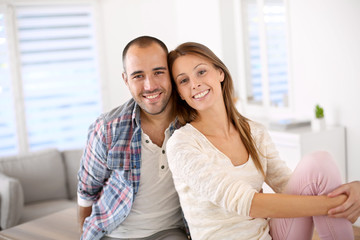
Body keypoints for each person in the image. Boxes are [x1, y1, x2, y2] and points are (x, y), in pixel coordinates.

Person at [166, 41, 360, 240]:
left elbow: (288, 185)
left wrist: (354, 193)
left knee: (320, 162)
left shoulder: (254, 132)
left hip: (268, 236)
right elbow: (249, 204)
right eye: (183, 81)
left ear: (220, 73)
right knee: (332, 199)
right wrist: (339, 204)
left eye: (201, 72)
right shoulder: (182, 145)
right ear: (180, 93)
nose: (194, 84)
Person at [77, 36, 190, 240]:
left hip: (170, 232)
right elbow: (86, 194)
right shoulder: (106, 129)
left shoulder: (193, 123)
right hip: (114, 233)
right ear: (126, 80)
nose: (150, 86)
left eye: (158, 72)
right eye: (138, 76)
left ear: (171, 73)